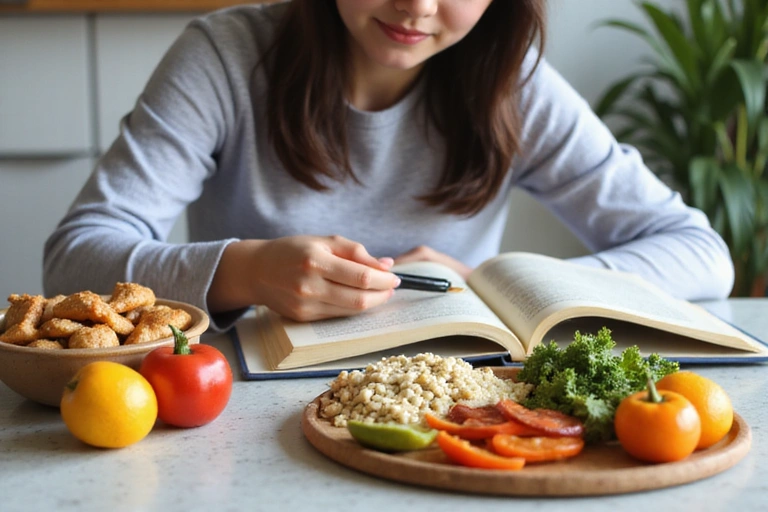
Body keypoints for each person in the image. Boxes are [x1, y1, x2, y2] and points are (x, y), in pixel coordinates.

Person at [43, 0, 734, 332]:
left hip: (455, 419)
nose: (418, 6)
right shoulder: (224, 56)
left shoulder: (512, 83)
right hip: (235, 415)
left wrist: (499, 283)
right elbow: (72, 261)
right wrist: (247, 271)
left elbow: (702, 255)